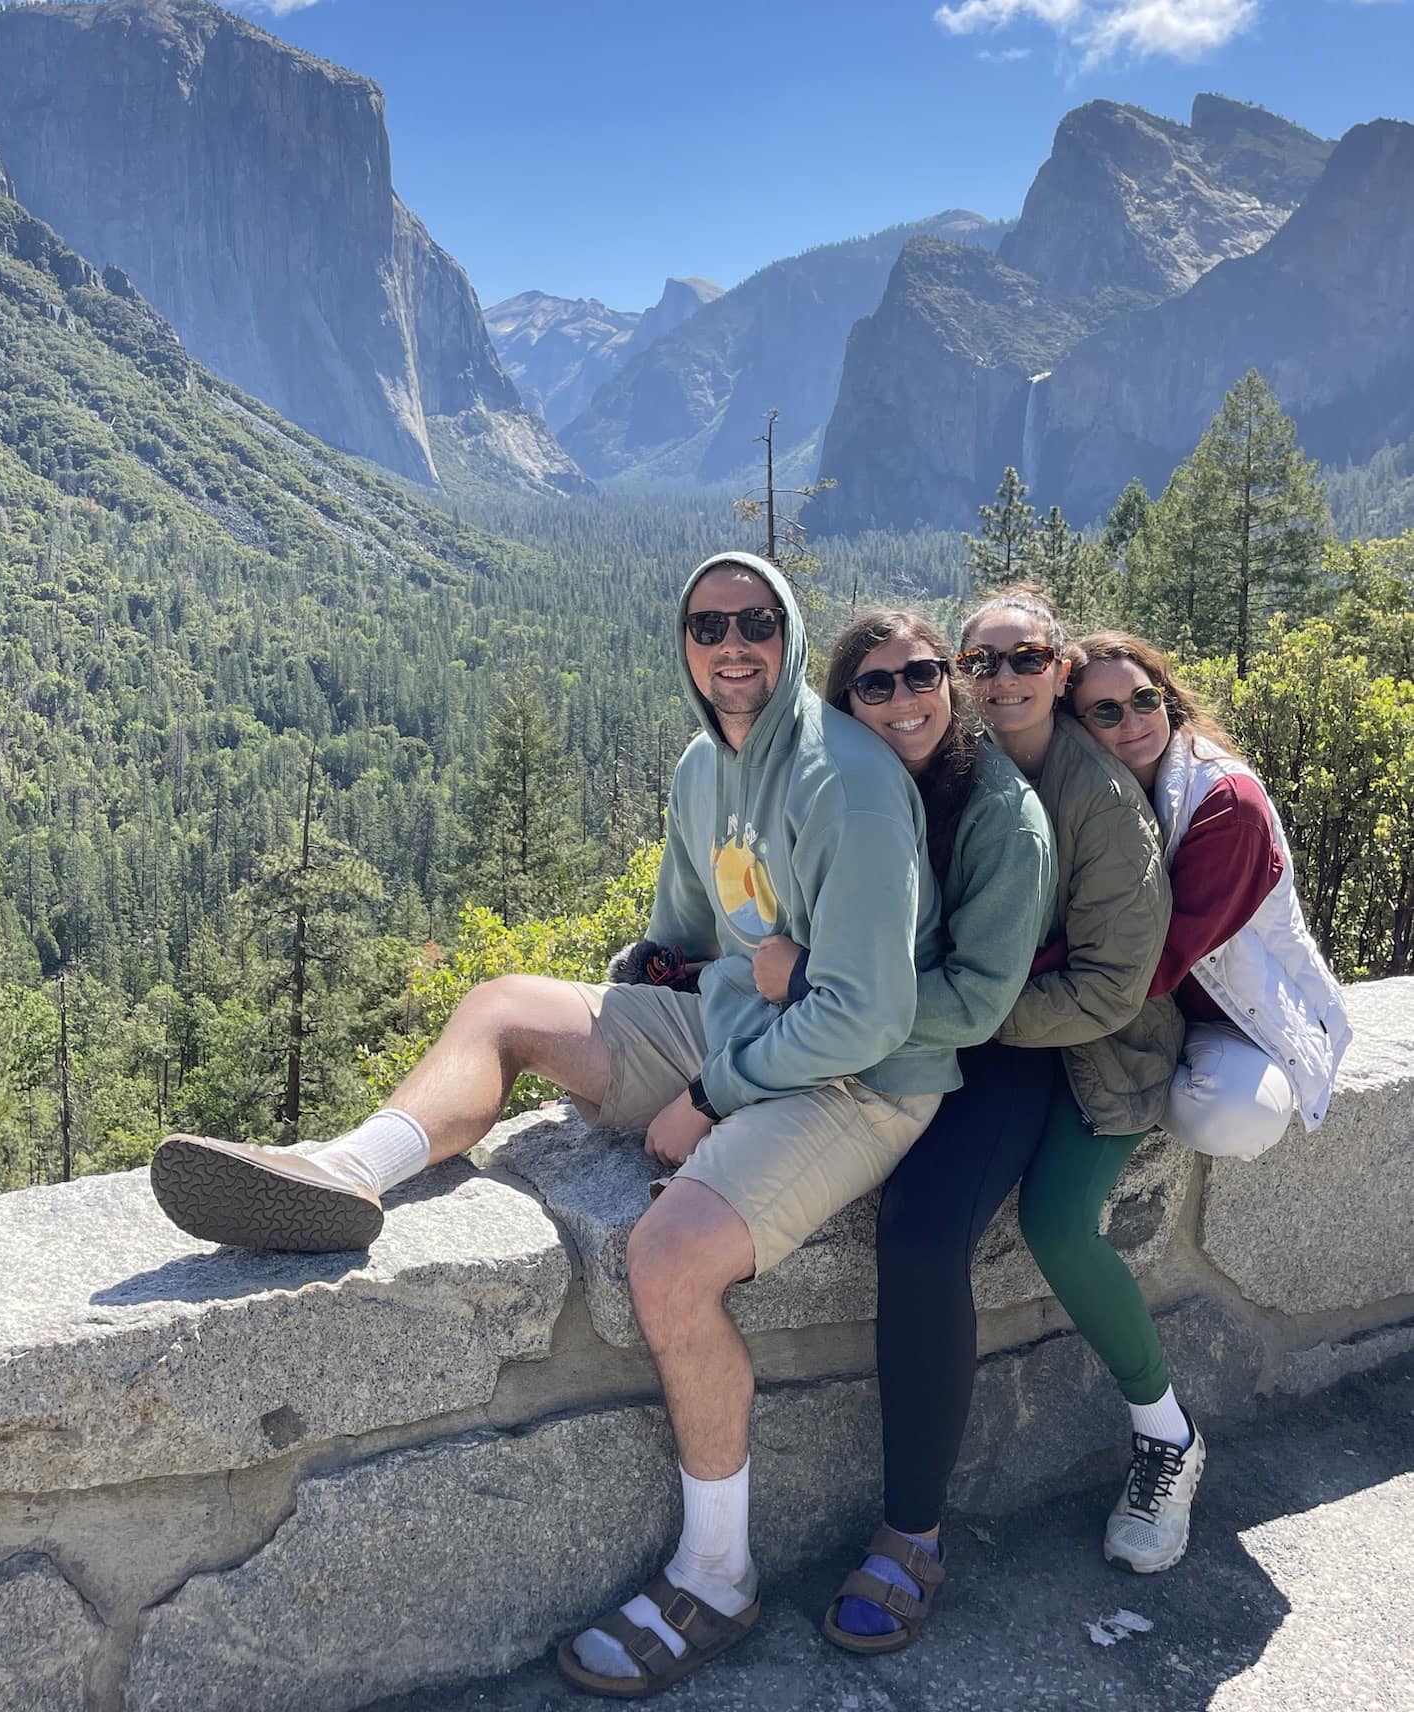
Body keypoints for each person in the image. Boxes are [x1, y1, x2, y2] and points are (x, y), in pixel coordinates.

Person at [150, 551, 956, 1699]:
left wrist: (710, 1097)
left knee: (667, 1259)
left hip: (860, 1078)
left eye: (759, 622)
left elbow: (870, 1016)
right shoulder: (703, 770)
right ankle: (346, 1169)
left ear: (790, 632)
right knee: (504, 1006)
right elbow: (682, 941)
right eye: (709, 624)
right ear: (683, 644)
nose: (735, 644)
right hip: (739, 1029)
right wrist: (619, 1022)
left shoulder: (849, 782)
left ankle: (716, 1575)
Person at [824, 584, 1188, 1652]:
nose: (996, 677)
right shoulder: (919, 767)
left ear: (1059, 667)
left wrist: (946, 1020)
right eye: (979, 662)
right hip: (940, 1030)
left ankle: (913, 1532)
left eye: (1021, 656)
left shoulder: (1075, 802)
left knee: (927, 1233)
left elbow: (1108, 991)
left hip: (1046, 1049)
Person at [743, 608, 1057, 1653]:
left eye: (924, 673)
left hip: (996, 1058)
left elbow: (977, 1000)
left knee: (922, 1242)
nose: (904, 698)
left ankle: (913, 1532)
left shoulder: (1003, 819)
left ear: (953, 684)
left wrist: (830, 991)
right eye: (872, 686)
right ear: (842, 707)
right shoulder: (853, 786)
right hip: (872, 1034)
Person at [1067, 632, 1351, 1156]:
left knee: (1238, 1116)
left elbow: (1159, 959)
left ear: (1166, 698)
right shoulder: (1091, 795)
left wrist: (1035, 991)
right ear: (1074, 727)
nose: (1132, 721)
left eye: (1144, 699)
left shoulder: (1227, 806)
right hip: (1147, 1009)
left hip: (1230, 1015)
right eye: (1105, 712)